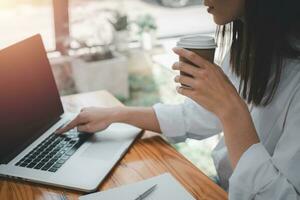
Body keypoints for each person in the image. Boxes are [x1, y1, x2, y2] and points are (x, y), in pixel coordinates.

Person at [57, 0, 300, 199]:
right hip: (223, 188)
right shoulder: (251, 47)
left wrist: (232, 111)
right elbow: (197, 117)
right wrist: (116, 114)